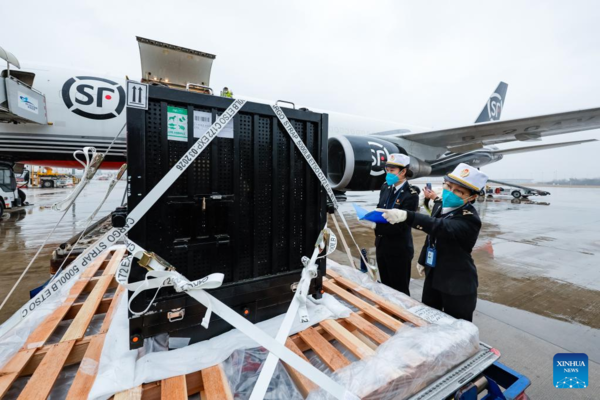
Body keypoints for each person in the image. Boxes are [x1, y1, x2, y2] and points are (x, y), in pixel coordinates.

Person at [376, 163, 488, 322]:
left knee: (456, 329)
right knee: (429, 320)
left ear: (472, 197)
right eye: (448, 186)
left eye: (459, 191)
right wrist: (423, 260)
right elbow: (431, 237)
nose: (450, 192)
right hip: (433, 276)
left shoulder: (469, 219)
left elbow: (440, 226)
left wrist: (407, 216)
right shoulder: (441, 206)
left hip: (456, 283)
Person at [359, 153, 419, 295]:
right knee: (385, 286)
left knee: (399, 289)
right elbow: (381, 208)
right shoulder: (386, 187)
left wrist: (376, 225)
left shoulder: (410, 194)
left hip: (398, 249)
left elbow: (401, 226)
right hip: (382, 244)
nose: (388, 173)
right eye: (387, 170)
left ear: (403, 171)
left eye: (392, 170)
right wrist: (371, 217)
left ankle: (401, 317)